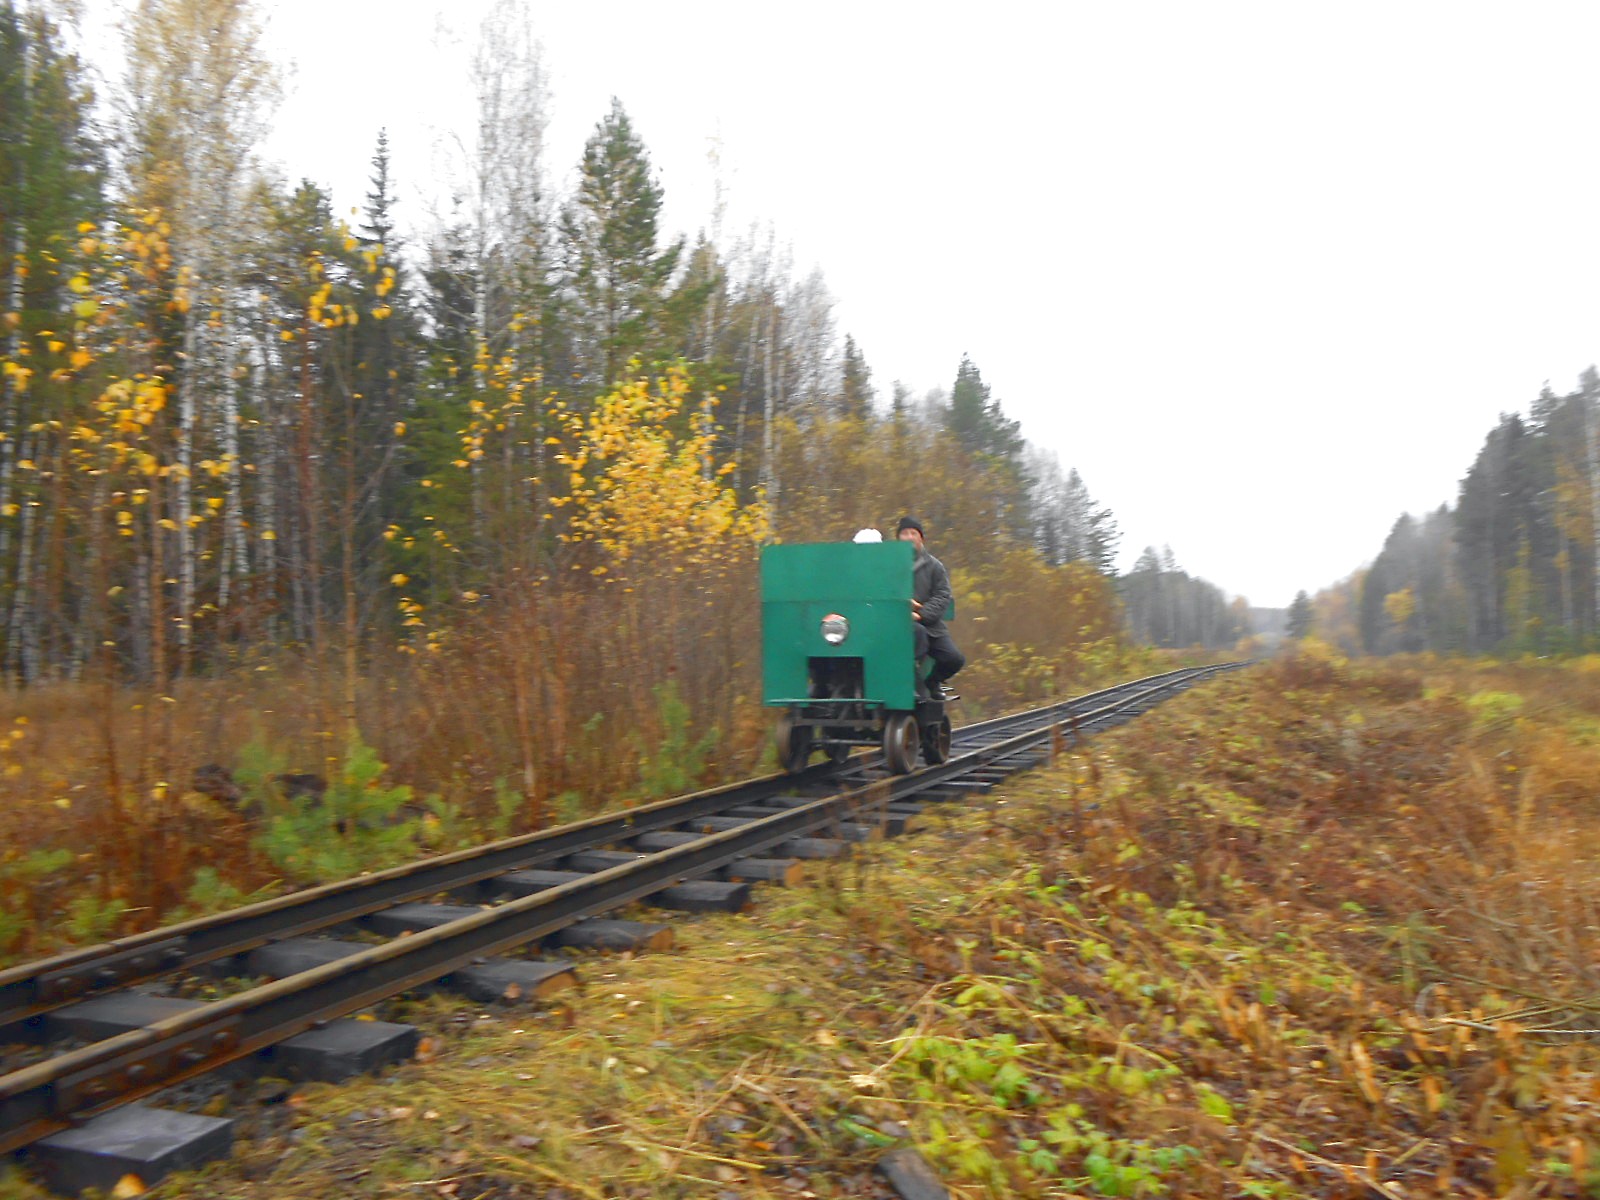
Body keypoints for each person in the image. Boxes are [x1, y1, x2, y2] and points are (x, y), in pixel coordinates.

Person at [896, 516, 964, 699]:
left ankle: (932, 682)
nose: (909, 537)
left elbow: (942, 596)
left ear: (921, 538)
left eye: (913, 533)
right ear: (898, 538)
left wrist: (921, 614)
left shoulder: (935, 566)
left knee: (954, 659)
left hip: (930, 625)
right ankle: (909, 685)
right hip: (896, 624)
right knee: (915, 638)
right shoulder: (889, 565)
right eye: (904, 534)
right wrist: (903, 606)